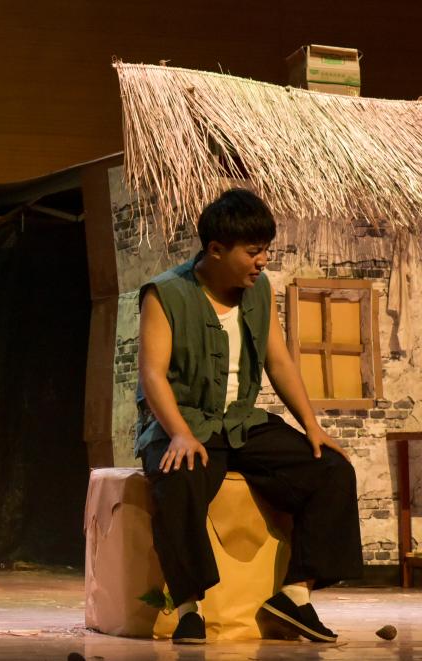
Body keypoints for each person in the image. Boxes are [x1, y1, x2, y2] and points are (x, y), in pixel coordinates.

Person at [136, 188, 363, 644]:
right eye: (254, 251)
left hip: (242, 423)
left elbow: (278, 362)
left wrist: (312, 427)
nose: (263, 261)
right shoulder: (167, 294)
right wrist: (178, 433)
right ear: (216, 250)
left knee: (332, 470)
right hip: (185, 422)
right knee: (177, 479)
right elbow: (153, 374)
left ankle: (294, 596)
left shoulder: (259, 292)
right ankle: (189, 608)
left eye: (265, 251)